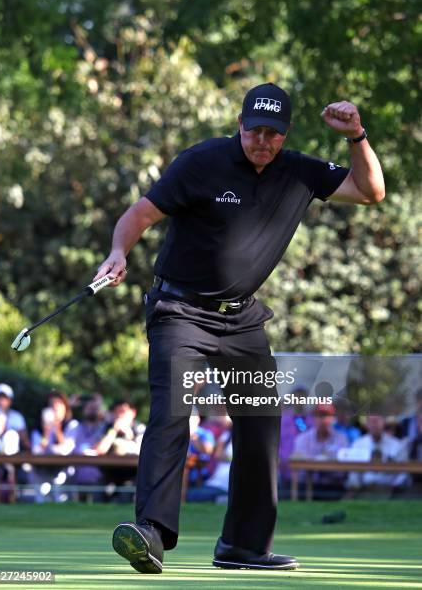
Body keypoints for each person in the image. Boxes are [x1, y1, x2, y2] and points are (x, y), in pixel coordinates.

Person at [93, 82, 385, 574]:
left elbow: (371, 191)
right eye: (255, 131)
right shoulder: (201, 162)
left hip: (243, 321)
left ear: (285, 134)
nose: (263, 142)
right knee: (172, 411)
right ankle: (151, 533)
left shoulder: (299, 171)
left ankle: (243, 547)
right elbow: (139, 214)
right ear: (240, 125)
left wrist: (357, 136)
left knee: (261, 425)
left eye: (273, 134)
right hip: (180, 313)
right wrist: (119, 251)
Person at [292, 403, 349, 499]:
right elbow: (298, 464)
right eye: (319, 416)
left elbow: (344, 468)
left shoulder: (341, 438)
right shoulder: (302, 439)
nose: (323, 420)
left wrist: (317, 463)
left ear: (333, 418)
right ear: (314, 418)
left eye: (326, 415)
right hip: (307, 486)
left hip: (334, 486)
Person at [0, 383, 30, 450]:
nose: (1, 402)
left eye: (4, 398)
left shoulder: (17, 417)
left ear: (10, 401)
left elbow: (25, 440)